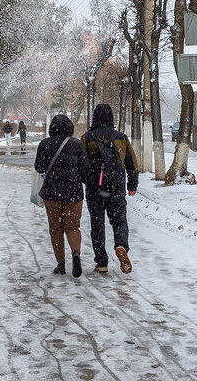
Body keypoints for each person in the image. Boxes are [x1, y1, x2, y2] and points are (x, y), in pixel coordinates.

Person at [81, 103, 138, 274]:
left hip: (95, 189)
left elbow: (82, 164)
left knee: (97, 225)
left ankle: (101, 261)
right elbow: (132, 164)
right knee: (119, 221)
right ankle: (121, 246)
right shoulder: (121, 138)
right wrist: (132, 185)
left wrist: (88, 181)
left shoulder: (87, 137)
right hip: (117, 187)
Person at [34, 114, 92, 277]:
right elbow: (85, 167)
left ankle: (61, 264)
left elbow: (39, 167)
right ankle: (76, 253)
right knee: (73, 226)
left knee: (56, 228)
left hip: (52, 193)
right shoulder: (77, 144)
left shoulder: (45, 144)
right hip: (73, 193)